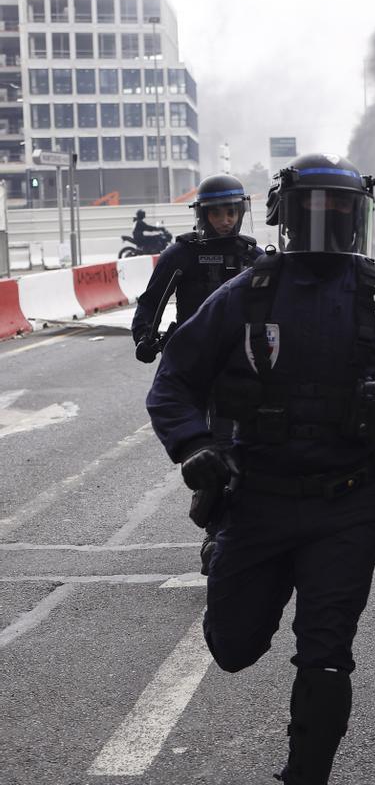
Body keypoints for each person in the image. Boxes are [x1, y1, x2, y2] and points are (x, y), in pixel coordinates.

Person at [145, 153, 375, 785]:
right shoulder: (246, 294)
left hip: (348, 504)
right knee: (233, 647)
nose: (329, 222)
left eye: (343, 210)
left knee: (327, 652)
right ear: (285, 213)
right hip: (256, 502)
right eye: (317, 209)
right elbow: (172, 381)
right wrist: (194, 447)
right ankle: (227, 565)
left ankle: (305, 773)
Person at [132, 174, 261, 575]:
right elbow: (152, 301)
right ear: (203, 215)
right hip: (194, 364)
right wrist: (145, 337)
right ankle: (216, 530)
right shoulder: (182, 254)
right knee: (208, 446)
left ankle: (225, 530)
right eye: (217, 212)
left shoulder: (253, 255)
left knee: (235, 447)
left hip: (240, 365)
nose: (225, 220)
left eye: (232, 211)